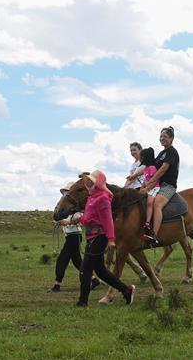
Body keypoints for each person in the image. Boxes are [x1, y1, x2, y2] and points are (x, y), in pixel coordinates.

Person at [72, 170, 135, 307]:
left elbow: (107, 221)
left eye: (91, 181)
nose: (88, 184)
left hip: (99, 237)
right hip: (91, 236)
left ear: (98, 183)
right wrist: (76, 220)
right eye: (88, 181)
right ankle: (126, 290)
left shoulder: (103, 198)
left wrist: (111, 239)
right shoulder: (91, 197)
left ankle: (82, 302)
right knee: (100, 270)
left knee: (85, 269)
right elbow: (88, 218)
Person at [47, 183, 100, 293]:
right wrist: (60, 221)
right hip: (71, 236)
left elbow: (79, 218)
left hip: (74, 235)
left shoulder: (76, 208)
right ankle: (93, 279)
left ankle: (57, 284)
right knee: (77, 262)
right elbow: (57, 216)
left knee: (62, 259)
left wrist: (67, 222)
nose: (65, 194)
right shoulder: (64, 205)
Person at [141, 126, 179, 245]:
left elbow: (163, 169)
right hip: (158, 185)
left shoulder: (172, 152)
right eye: (161, 136)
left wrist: (149, 183)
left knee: (157, 203)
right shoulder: (161, 153)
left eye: (165, 136)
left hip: (168, 186)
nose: (162, 138)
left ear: (171, 138)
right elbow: (152, 168)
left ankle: (154, 235)